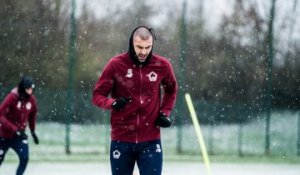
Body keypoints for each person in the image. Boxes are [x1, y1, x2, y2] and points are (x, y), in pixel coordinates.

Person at [92, 26, 178, 175]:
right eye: (139, 47)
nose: (144, 52)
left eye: (148, 47)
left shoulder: (162, 65)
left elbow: (171, 89)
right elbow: (97, 95)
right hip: (121, 140)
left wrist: (165, 113)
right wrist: (112, 103)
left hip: (151, 140)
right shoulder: (116, 64)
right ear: (131, 43)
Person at [0, 76, 39, 175]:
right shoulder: (12, 97)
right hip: (3, 136)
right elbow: (0, 114)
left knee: (24, 158)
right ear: (23, 88)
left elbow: (32, 116)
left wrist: (33, 131)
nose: (30, 92)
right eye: (28, 89)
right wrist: (14, 129)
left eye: (32, 89)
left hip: (19, 137)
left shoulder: (32, 100)